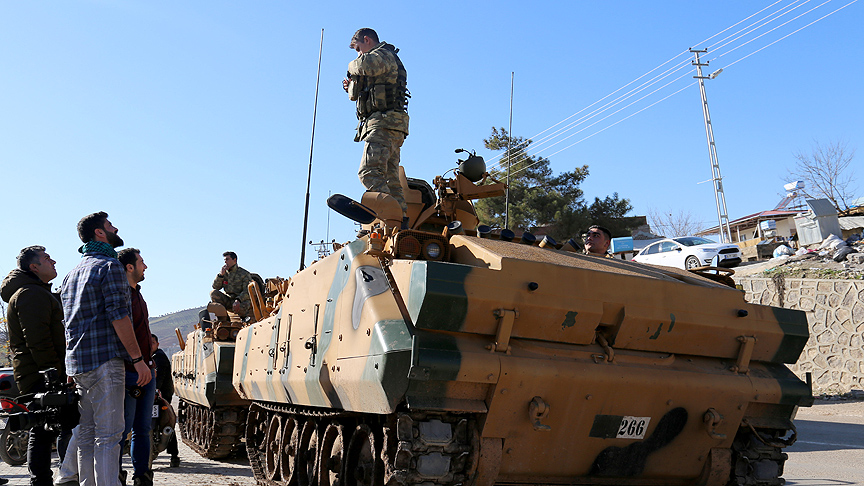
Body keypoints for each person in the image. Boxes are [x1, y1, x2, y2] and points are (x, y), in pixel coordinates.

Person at [61, 211, 151, 486]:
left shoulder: (71, 273)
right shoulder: (109, 267)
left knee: (86, 434)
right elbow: (119, 316)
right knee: (110, 436)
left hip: (79, 365)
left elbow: (68, 323)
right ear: (99, 233)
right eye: (110, 225)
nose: (116, 228)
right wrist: (137, 359)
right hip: (104, 362)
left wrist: (69, 366)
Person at [1, 246, 72, 486]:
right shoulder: (31, 294)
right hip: (42, 374)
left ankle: (44, 479)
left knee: (44, 429)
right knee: (44, 429)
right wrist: (54, 374)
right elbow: (38, 340)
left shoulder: (37, 292)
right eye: (47, 259)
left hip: (41, 371)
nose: (53, 261)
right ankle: (42, 481)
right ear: (34, 267)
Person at [342, 27, 410, 227]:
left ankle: (389, 220)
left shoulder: (382, 55)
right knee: (390, 179)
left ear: (367, 40)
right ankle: (401, 222)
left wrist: (351, 65)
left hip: (384, 124)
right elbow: (354, 94)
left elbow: (363, 65)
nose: (358, 53)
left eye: (358, 48)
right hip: (390, 125)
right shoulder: (379, 61)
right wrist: (351, 86)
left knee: (369, 172)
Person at [117, 248, 156, 486]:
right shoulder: (123, 296)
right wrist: (136, 362)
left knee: (143, 428)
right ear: (129, 267)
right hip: (131, 372)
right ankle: (115, 474)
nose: (145, 266)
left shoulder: (138, 295)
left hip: (146, 370)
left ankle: (142, 476)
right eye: (141, 262)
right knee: (121, 429)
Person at [150, 333, 179, 467]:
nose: (151, 346)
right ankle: (174, 455)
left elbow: (159, 379)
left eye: (153, 343)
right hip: (155, 394)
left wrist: (155, 391)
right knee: (166, 423)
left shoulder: (159, 358)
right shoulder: (152, 357)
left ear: (157, 344)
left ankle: (174, 454)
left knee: (167, 422)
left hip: (161, 396)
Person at [210, 251, 253, 317]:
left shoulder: (244, 274)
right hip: (229, 300)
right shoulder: (224, 273)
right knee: (213, 293)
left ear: (234, 260)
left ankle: (245, 319)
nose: (225, 262)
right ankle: (224, 318)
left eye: (227, 259)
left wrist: (238, 300)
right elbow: (215, 287)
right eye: (224, 260)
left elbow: (247, 291)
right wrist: (220, 276)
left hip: (241, 301)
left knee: (242, 308)